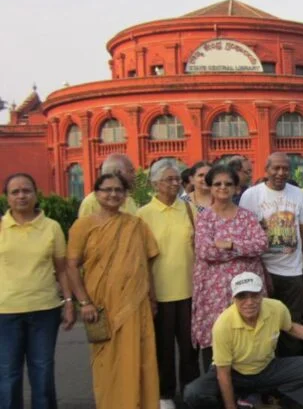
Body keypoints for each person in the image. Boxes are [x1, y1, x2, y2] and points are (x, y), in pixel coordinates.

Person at [65, 172, 160, 409]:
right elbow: (71, 266)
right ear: (96, 194)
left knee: (140, 359)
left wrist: (152, 297)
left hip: (136, 304)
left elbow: (145, 264)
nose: (113, 194)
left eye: (118, 190)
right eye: (107, 190)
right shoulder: (83, 225)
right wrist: (84, 302)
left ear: (125, 195)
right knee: (107, 362)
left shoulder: (136, 225)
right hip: (101, 306)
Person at [183, 272, 303, 409]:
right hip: (235, 374)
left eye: (254, 295)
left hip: (266, 369)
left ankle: (278, 403)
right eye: (242, 296)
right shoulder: (223, 325)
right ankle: (241, 400)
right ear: (233, 298)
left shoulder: (276, 308)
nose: (249, 302)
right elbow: (223, 373)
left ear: (262, 294)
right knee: (193, 393)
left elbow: (291, 327)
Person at [0, 173, 75, 409]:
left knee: (42, 373)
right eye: (15, 192)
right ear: (7, 197)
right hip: (5, 313)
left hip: (44, 311)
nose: (21, 196)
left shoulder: (51, 228)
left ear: (35, 194)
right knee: (8, 375)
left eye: (26, 190)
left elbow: (62, 270)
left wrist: (70, 303)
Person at [137, 159, 200, 409]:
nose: (175, 184)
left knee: (189, 349)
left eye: (177, 179)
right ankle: (165, 394)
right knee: (163, 349)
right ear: (155, 184)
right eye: (169, 180)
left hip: (189, 292)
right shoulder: (143, 215)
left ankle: (190, 392)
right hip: (159, 294)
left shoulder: (188, 210)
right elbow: (140, 258)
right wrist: (148, 294)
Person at [192, 165, 268, 369]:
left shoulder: (247, 216)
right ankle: (216, 389)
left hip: (246, 289)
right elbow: (205, 252)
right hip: (214, 293)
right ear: (210, 187)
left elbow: (261, 244)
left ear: (236, 188)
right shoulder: (205, 218)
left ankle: (248, 389)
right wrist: (243, 248)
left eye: (228, 184)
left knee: (248, 334)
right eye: (217, 184)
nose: (223, 187)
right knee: (217, 335)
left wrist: (230, 244)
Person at [239, 152, 303, 356]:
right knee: (261, 322)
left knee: (292, 323)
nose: (281, 173)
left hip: (292, 271)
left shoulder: (298, 194)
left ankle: (289, 373)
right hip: (263, 270)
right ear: (266, 170)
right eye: (276, 168)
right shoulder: (251, 196)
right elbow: (243, 233)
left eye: (285, 169)